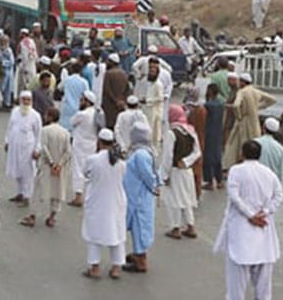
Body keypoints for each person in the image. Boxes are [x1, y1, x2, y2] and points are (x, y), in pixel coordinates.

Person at [213, 140, 283, 300]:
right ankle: (263, 299)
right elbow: (279, 195)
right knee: (264, 263)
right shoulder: (269, 173)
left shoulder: (236, 171)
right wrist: (265, 212)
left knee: (238, 264)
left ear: (242, 153)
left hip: (242, 223)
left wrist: (250, 215)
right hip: (263, 223)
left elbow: (234, 196)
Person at [81, 129, 128, 279]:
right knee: (117, 234)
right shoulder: (121, 162)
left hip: (97, 201)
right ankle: (116, 267)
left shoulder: (93, 160)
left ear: (99, 142)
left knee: (94, 234)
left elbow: (86, 173)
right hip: (116, 201)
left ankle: (94, 267)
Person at [120, 122, 160, 273]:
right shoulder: (142, 151)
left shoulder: (141, 155)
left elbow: (148, 176)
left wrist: (154, 187)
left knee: (140, 227)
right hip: (137, 195)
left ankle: (141, 261)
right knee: (138, 227)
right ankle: (138, 254)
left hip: (139, 197)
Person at [161, 105, 202, 241]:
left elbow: (167, 156)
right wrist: (187, 161)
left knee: (174, 200)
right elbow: (197, 152)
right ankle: (191, 226)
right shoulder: (190, 131)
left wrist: (164, 175)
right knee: (187, 200)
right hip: (187, 171)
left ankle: (176, 228)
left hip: (175, 171)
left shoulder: (171, 134)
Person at [223, 73, 276, 165]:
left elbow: (236, 105)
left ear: (243, 82)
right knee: (254, 145)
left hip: (243, 122)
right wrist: (258, 107)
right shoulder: (256, 91)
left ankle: (232, 165)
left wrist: (238, 116)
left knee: (235, 145)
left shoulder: (242, 92)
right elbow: (273, 99)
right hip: (254, 122)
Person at [32, 107, 71, 228]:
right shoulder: (65, 132)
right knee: (57, 192)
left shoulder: (45, 130)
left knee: (39, 190)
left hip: (47, 166)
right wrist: (59, 164)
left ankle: (33, 216)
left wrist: (52, 163)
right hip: (60, 168)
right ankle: (52, 217)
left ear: (49, 117)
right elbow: (68, 152)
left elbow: (44, 148)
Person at [6, 90, 42, 213]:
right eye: (24, 99)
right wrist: (7, 141)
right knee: (17, 170)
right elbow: (10, 127)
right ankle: (19, 193)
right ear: (20, 100)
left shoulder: (35, 115)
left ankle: (27, 196)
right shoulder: (15, 112)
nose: (26, 102)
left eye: (28, 100)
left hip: (28, 148)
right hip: (15, 146)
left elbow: (39, 134)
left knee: (28, 173)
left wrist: (37, 149)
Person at [69, 91, 103, 207]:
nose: (80, 102)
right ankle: (89, 196)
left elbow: (71, 122)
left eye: (82, 100)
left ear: (87, 102)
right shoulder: (97, 113)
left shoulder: (82, 114)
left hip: (80, 145)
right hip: (92, 144)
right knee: (89, 170)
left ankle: (78, 197)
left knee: (78, 169)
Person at [202, 84, 227, 191]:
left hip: (209, 132)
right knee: (217, 157)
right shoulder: (221, 104)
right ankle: (219, 180)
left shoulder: (208, 105)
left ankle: (209, 181)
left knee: (208, 158)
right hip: (218, 132)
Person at [252, 117, 283, 183]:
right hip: (271, 181)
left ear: (263, 128)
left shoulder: (254, 143)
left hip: (255, 179)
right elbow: (280, 172)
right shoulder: (280, 148)